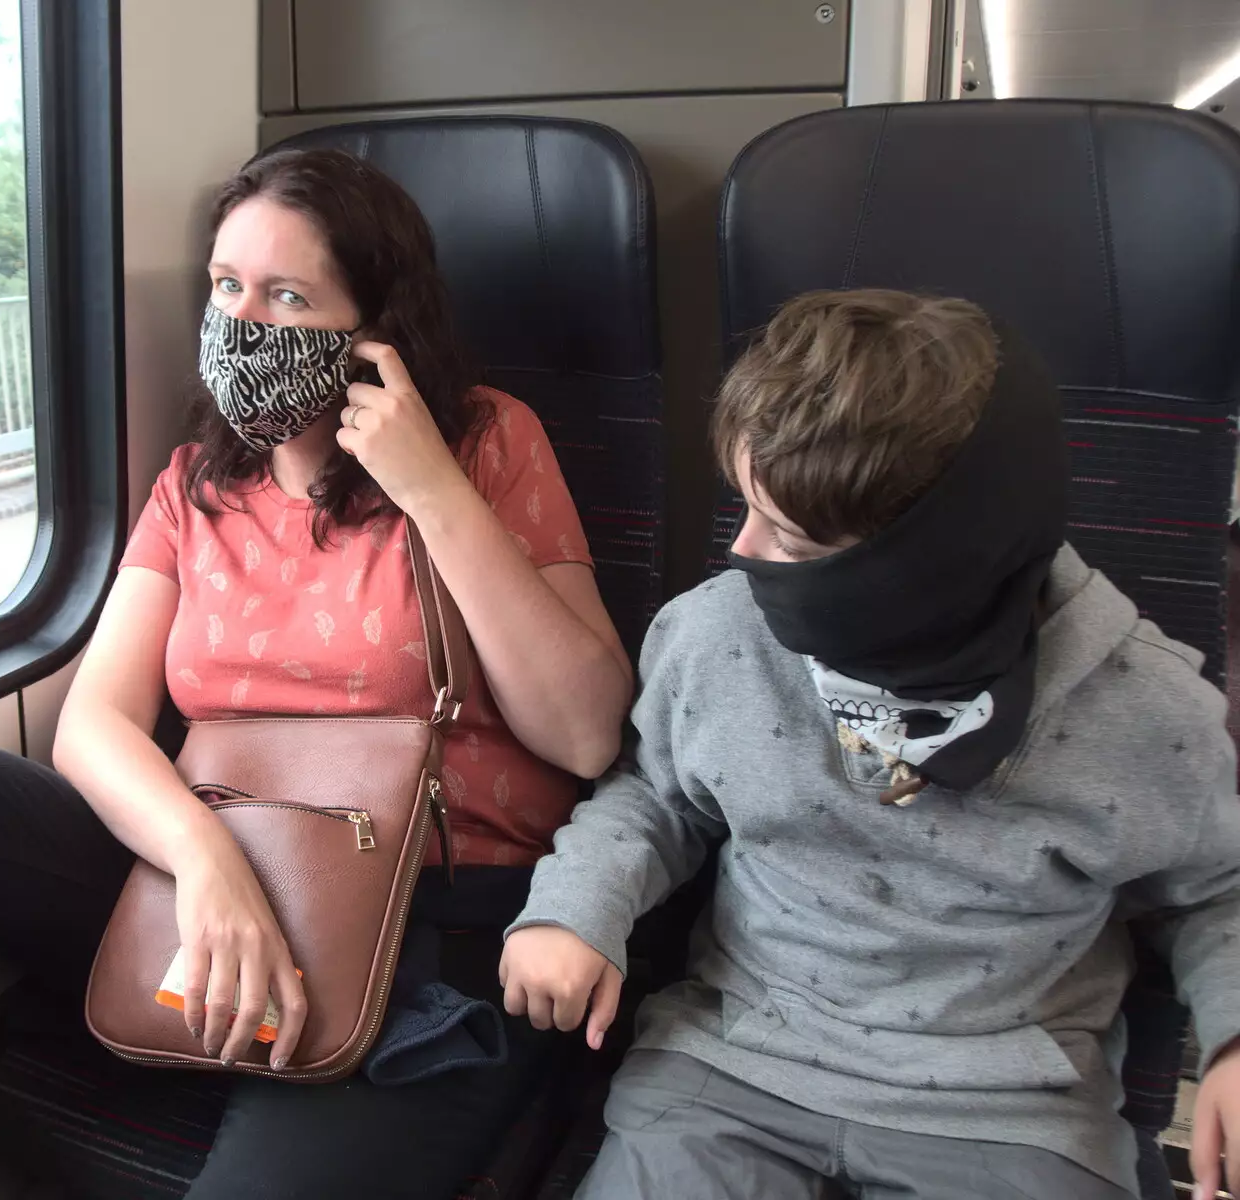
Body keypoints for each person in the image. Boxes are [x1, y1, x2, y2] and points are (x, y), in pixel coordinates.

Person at [0, 147, 634, 1200]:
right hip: (212, 866)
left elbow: (586, 733)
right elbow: (93, 723)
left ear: (376, 326)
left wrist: (432, 492)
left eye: (286, 294)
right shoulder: (196, 482)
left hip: (422, 912)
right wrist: (204, 860)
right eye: (228, 286)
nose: (244, 320)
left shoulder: (491, 440)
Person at [499, 289, 1240, 1200]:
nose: (743, 555)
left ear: (928, 568)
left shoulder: (1144, 711)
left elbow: (1220, 888)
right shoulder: (718, 636)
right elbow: (654, 793)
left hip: (1004, 1107)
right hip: (739, 1061)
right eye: (747, 509)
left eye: (797, 545)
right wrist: (576, 906)